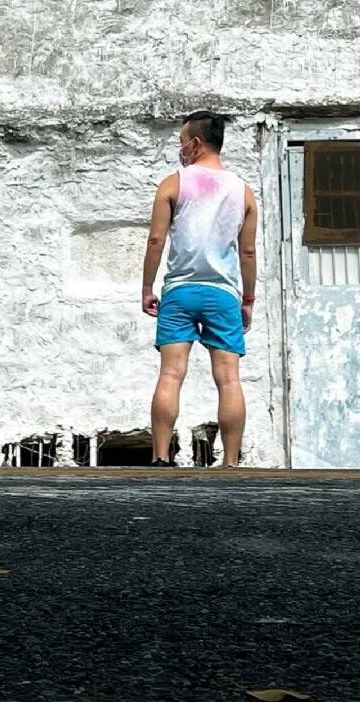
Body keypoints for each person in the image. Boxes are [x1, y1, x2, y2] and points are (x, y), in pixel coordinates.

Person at [141, 111, 258, 467]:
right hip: (222, 294)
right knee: (228, 379)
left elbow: (156, 239)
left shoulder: (173, 184)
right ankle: (231, 462)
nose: (180, 149)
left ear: (194, 143)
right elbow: (248, 252)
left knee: (171, 374)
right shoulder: (243, 192)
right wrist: (248, 300)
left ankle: (161, 457)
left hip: (180, 292)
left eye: (181, 142)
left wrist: (147, 287)